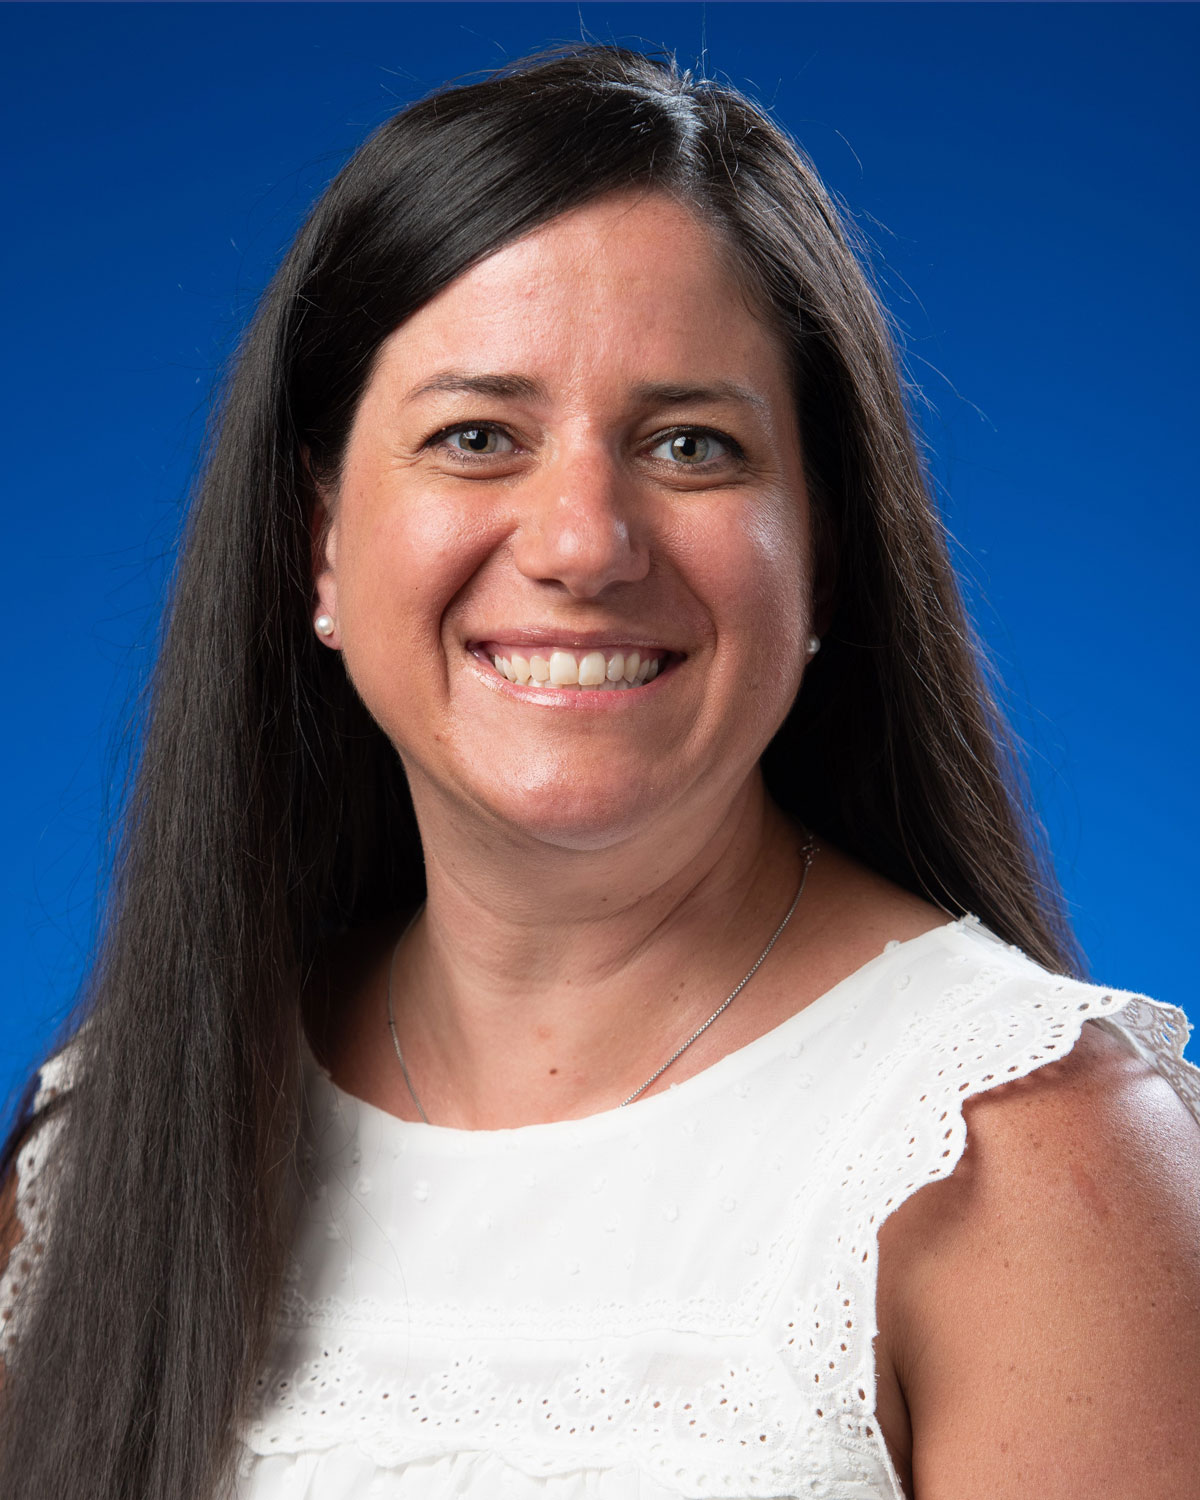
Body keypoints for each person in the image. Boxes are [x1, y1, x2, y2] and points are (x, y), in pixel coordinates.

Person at [1, 43, 1197, 1500]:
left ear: (824, 548)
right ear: (318, 542)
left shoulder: (1028, 1163)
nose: (580, 542)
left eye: (690, 445)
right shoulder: (111, 1150)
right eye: (477, 437)